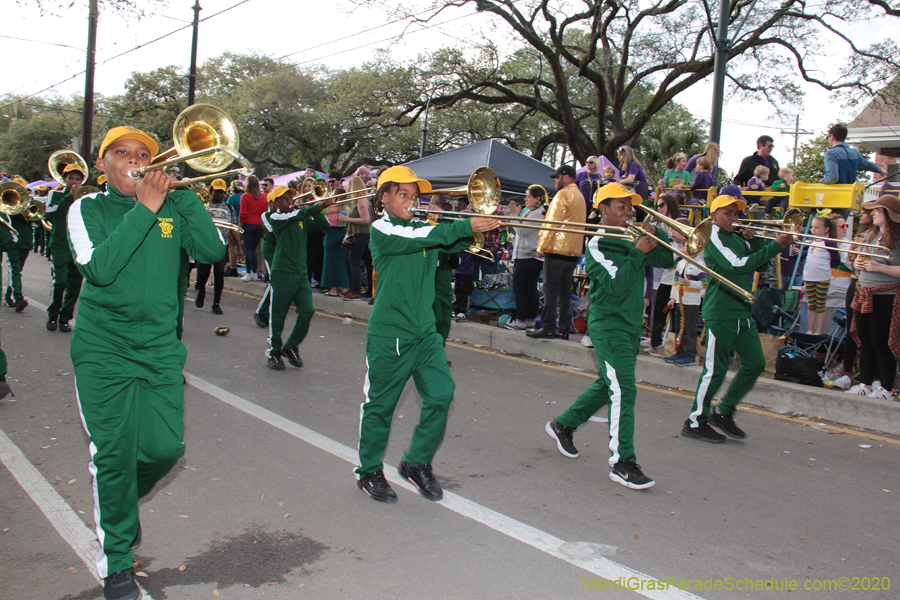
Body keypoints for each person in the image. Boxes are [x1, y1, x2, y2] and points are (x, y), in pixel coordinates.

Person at [67, 126, 226, 600]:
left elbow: (213, 252)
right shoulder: (86, 209)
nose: (133, 160)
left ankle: (118, 509)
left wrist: (188, 197)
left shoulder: (174, 205)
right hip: (103, 349)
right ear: (102, 165)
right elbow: (99, 269)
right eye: (121, 153)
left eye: (143, 154)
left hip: (159, 348)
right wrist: (145, 209)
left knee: (163, 451)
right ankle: (116, 564)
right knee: (113, 457)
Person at [354, 166, 499, 503]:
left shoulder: (424, 227)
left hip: (424, 333)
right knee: (380, 407)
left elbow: (449, 244)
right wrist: (462, 226)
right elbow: (423, 238)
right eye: (403, 194)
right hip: (390, 334)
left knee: (441, 394)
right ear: (384, 197)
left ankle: (416, 462)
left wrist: (476, 225)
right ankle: (368, 471)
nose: (411, 201)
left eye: (414, 196)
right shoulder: (382, 229)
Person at [545, 183, 674, 490]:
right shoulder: (597, 243)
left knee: (608, 384)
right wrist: (638, 251)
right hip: (608, 324)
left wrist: (658, 235)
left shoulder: (632, 237)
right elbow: (615, 284)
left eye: (631, 207)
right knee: (624, 390)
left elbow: (667, 262)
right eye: (622, 207)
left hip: (630, 326)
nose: (629, 212)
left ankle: (563, 424)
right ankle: (622, 462)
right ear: (603, 210)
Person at [681, 194, 793, 443]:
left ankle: (724, 411)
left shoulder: (735, 238)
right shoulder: (712, 237)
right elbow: (736, 265)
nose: (734, 218)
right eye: (727, 213)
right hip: (721, 312)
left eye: (736, 213)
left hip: (742, 312)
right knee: (715, 370)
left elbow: (758, 266)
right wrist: (775, 245)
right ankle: (695, 420)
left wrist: (756, 244)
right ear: (714, 216)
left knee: (755, 363)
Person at [265, 186, 331, 370]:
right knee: (278, 315)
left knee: (308, 311)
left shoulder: (300, 217)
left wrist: (319, 208)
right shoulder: (276, 217)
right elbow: (295, 216)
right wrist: (316, 207)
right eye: (284, 199)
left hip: (301, 273)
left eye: (290, 198)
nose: (289, 201)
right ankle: (274, 351)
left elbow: (323, 226)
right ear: (276, 202)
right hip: (283, 272)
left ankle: (292, 345)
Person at [846, 195, 900, 399]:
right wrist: (857, 264)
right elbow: (857, 259)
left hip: (887, 295)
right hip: (864, 292)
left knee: (881, 342)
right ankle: (865, 383)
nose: (872, 213)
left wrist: (880, 267)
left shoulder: (898, 239)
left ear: (888, 214)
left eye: (877, 210)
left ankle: (886, 388)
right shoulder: (871, 235)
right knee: (864, 340)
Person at [527, 165, 586, 340]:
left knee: (550, 290)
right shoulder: (580, 196)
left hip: (558, 249)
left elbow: (552, 223)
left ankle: (548, 327)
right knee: (565, 292)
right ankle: (564, 328)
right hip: (573, 251)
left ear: (566, 177)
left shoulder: (563, 194)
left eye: (557, 176)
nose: (555, 179)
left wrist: (541, 246)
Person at [832, 209, 879, 390]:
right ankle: (846, 374)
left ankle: (875, 378)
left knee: (873, 334)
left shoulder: (883, 236)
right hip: (856, 283)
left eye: (868, 212)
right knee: (852, 330)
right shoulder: (861, 236)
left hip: (874, 286)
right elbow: (850, 260)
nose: (864, 214)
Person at [44, 163, 86, 332]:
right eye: (70, 178)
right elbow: (50, 213)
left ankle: (65, 318)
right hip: (60, 245)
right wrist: (69, 197)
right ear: (64, 179)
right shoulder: (55, 194)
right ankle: (53, 315)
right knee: (60, 281)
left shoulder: (86, 196)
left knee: (75, 285)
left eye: (77, 179)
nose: (74, 182)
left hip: (78, 246)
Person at [664, 219, 707, 366]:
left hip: (691, 302)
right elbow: (675, 283)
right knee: (678, 328)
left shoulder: (699, 265)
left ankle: (689, 354)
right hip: (679, 301)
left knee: (689, 329)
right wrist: (672, 298)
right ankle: (680, 352)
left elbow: (704, 284)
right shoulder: (681, 263)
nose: (686, 248)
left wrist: (689, 283)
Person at [504, 185, 547, 331]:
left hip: (530, 256)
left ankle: (521, 320)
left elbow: (521, 231)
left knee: (520, 288)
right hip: (524, 255)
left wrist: (514, 214)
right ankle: (529, 320)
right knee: (529, 289)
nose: (525, 199)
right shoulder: (529, 211)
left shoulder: (538, 213)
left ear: (538, 198)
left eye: (529, 196)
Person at [195, 179, 238, 314]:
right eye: (216, 191)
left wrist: (239, 248)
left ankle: (216, 303)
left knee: (219, 273)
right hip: (206, 245)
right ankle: (201, 291)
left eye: (221, 192)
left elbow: (233, 227)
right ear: (211, 190)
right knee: (203, 272)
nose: (218, 194)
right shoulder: (204, 206)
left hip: (221, 245)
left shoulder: (229, 208)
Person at [647, 193, 681, 355]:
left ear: (670, 205)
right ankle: (656, 342)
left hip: (675, 278)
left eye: (661, 205)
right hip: (660, 276)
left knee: (674, 316)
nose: (658, 208)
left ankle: (671, 344)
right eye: (657, 206)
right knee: (657, 311)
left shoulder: (679, 225)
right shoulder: (657, 224)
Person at [802, 211, 841, 335]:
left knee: (820, 305)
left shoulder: (828, 242)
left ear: (826, 229)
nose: (814, 230)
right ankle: (810, 329)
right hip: (810, 277)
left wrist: (824, 268)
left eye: (817, 228)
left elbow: (836, 259)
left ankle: (819, 331)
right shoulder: (812, 241)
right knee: (811, 304)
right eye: (812, 227)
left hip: (822, 278)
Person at [338, 176, 373, 300]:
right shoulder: (356, 200)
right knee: (347, 260)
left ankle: (356, 290)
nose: (348, 188)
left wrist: (348, 219)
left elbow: (366, 219)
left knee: (354, 262)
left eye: (350, 186)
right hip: (354, 233)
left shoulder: (361, 200)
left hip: (360, 234)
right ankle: (352, 287)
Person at [4, 177, 31, 312]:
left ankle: (9, 296)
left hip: (25, 241)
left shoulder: (28, 203)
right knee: (14, 269)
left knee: (17, 270)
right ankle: (18, 298)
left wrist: (30, 214)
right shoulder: (5, 204)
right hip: (13, 241)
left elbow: (37, 221)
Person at [321, 185, 350, 297]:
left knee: (330, 262)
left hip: (331, 233)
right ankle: (343, 287)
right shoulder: (346, 208)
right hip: (342, 233)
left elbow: (319, 209)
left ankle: (333, 289)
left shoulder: (330, 207)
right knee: (341, 262)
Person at [238, 175, 268, 281]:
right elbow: (265, 211)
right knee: (255, 250)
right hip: (259, 225)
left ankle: (249, 273)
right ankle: (255, 272)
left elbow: (243, 213)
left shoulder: (245, 196)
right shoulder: (264, 197)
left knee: (248, 249)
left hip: (248, 225)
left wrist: (239, 226)